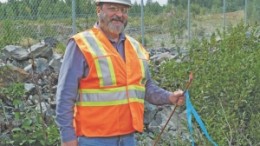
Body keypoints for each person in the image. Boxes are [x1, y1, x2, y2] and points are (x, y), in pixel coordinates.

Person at [55, 0, 185, 146]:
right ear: (99, 10)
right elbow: (65, 96)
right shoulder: (81, 44)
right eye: (113, 9)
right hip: (91, 139)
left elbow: (145, 87)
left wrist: (170, 97)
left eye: (124, 10)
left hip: (128, 139)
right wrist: (67, 139)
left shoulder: (136, 47)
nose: (119, 14)